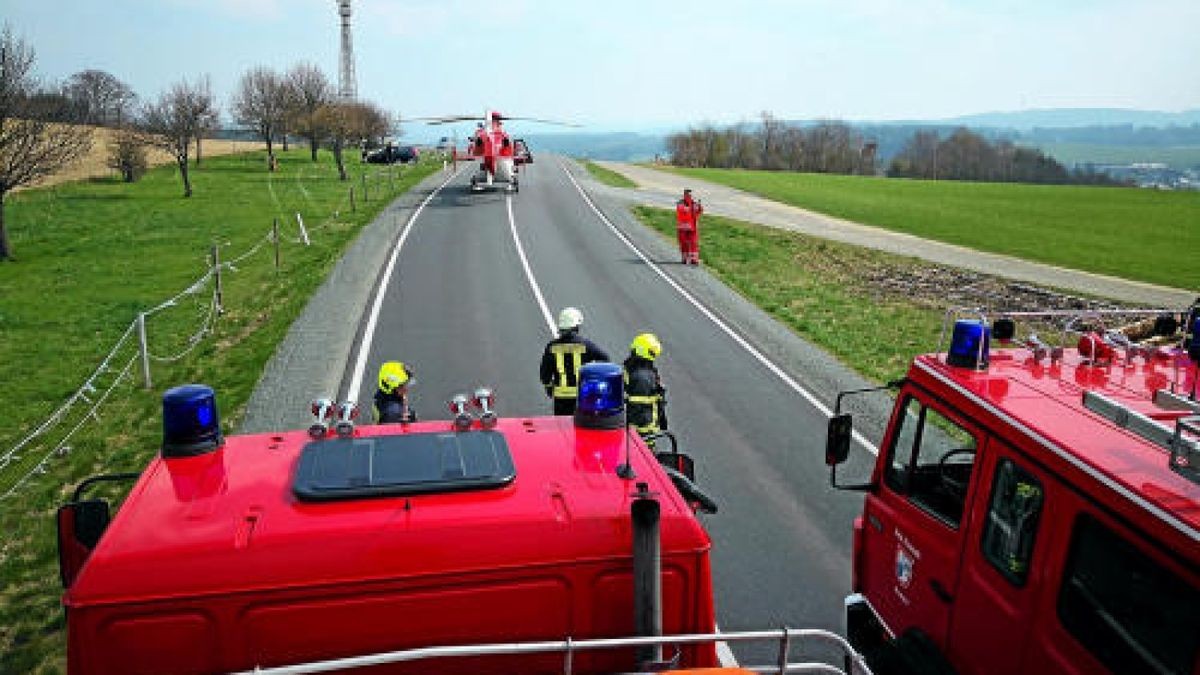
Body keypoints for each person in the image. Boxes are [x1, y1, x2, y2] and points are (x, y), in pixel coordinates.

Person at [540, 307, 610, 415]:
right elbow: (605, 358)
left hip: (561, 398)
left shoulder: (552, 347)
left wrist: (549, 387)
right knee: (582, 427)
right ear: (576, 327)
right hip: (582, 396)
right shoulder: (585, 345)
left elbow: (545, 374)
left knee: (562, 428)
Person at [623, 333, 667, 443]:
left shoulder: (631, 369)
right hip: (643, 434)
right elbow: (640, 410)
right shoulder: (644, 377)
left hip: (631, 431)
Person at [676, 189, 704, 265]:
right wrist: (693, 207)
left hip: (693, 227)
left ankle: (694, 259)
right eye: (688, 195)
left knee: (694, 243)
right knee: (684, 243)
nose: (690, 196)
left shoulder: (694, 204)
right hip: (683, 228)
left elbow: (699, 211)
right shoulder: (680, 203)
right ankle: (684, 258)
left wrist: (700, 206)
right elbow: (683, 210)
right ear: (684, 195)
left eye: (691, 195)